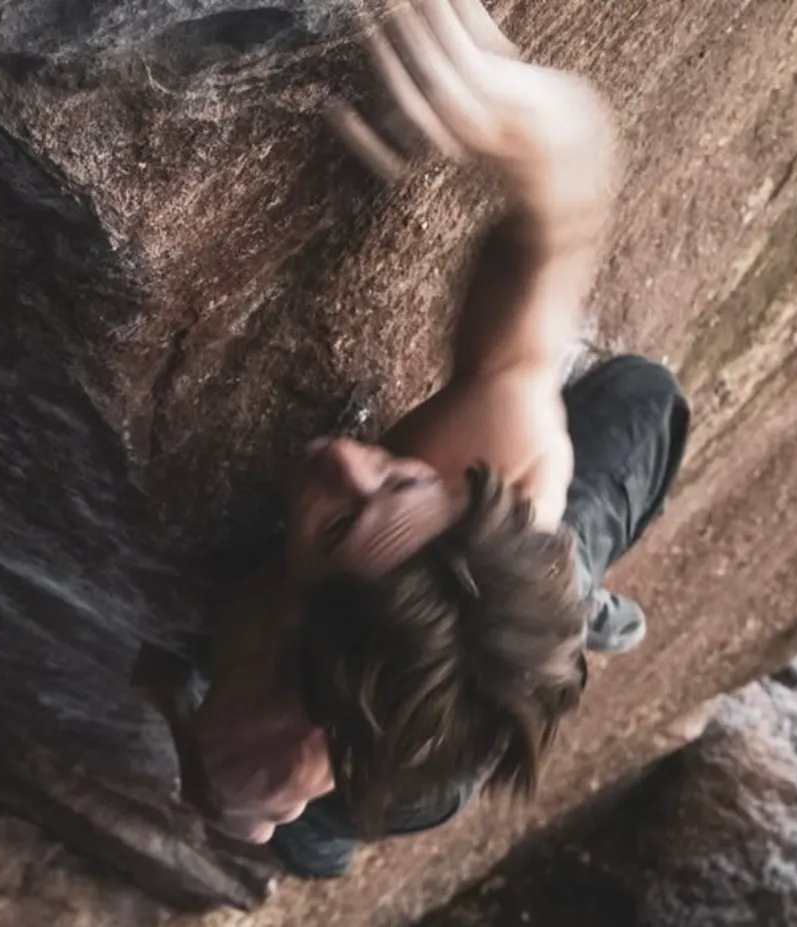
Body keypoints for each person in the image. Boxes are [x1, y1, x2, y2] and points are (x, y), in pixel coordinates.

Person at [185, 0, 692, 878]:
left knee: (318, 841)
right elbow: (553, 224)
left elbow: (238, 806)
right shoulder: (484, 469)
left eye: (345, 520)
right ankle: (569, 621)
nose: (346, 457)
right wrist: (531, 123)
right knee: (645, 397)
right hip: (489, 588)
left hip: (405, 751)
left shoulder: (261, 720)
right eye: (396, 480)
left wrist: (220, 783)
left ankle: (566, 626)